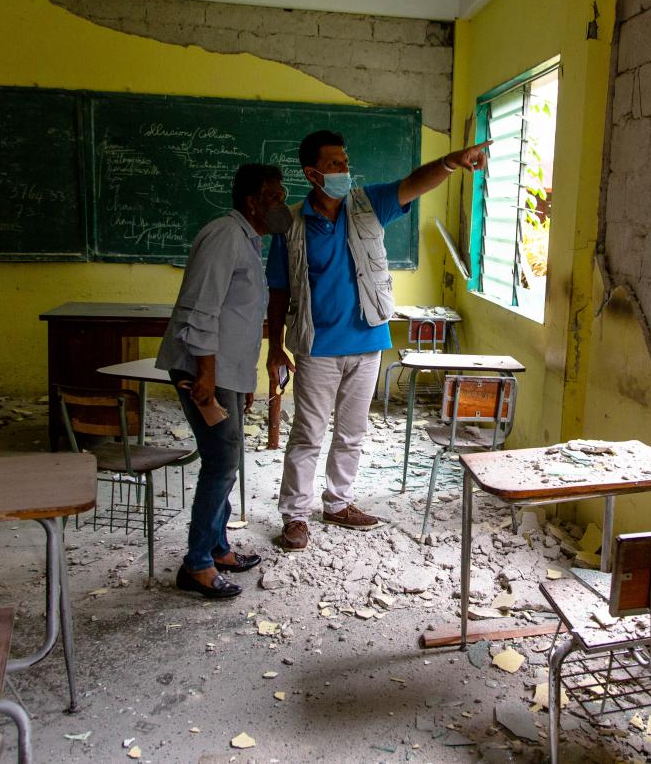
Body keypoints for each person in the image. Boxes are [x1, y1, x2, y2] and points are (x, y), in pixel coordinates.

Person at [266, 130, 491, 551]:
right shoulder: (292, 224)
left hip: (368, 340)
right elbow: (278, 289)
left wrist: (451, 162)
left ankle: (338, 503)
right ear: (313, 174)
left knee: (352, 432)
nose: (344, 169)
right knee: (308, 433)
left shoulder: (370, 204)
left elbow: (414, 182)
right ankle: (295, 515)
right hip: (315, 347)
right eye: (334, 164)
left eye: (345, 161)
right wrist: (275, 346)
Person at [156, 163, 292, 598]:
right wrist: (209, 376)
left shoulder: (249, 241)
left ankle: (216, 547)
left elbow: (242, 318)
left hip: (223, 371)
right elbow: (202, 308)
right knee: (221, 458)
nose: (281, 205)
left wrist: (240, 379)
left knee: (227, 457)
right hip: (202, 369)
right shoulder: (224, 235)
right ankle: (195, 564)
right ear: (251, 202)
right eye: (273, 196)